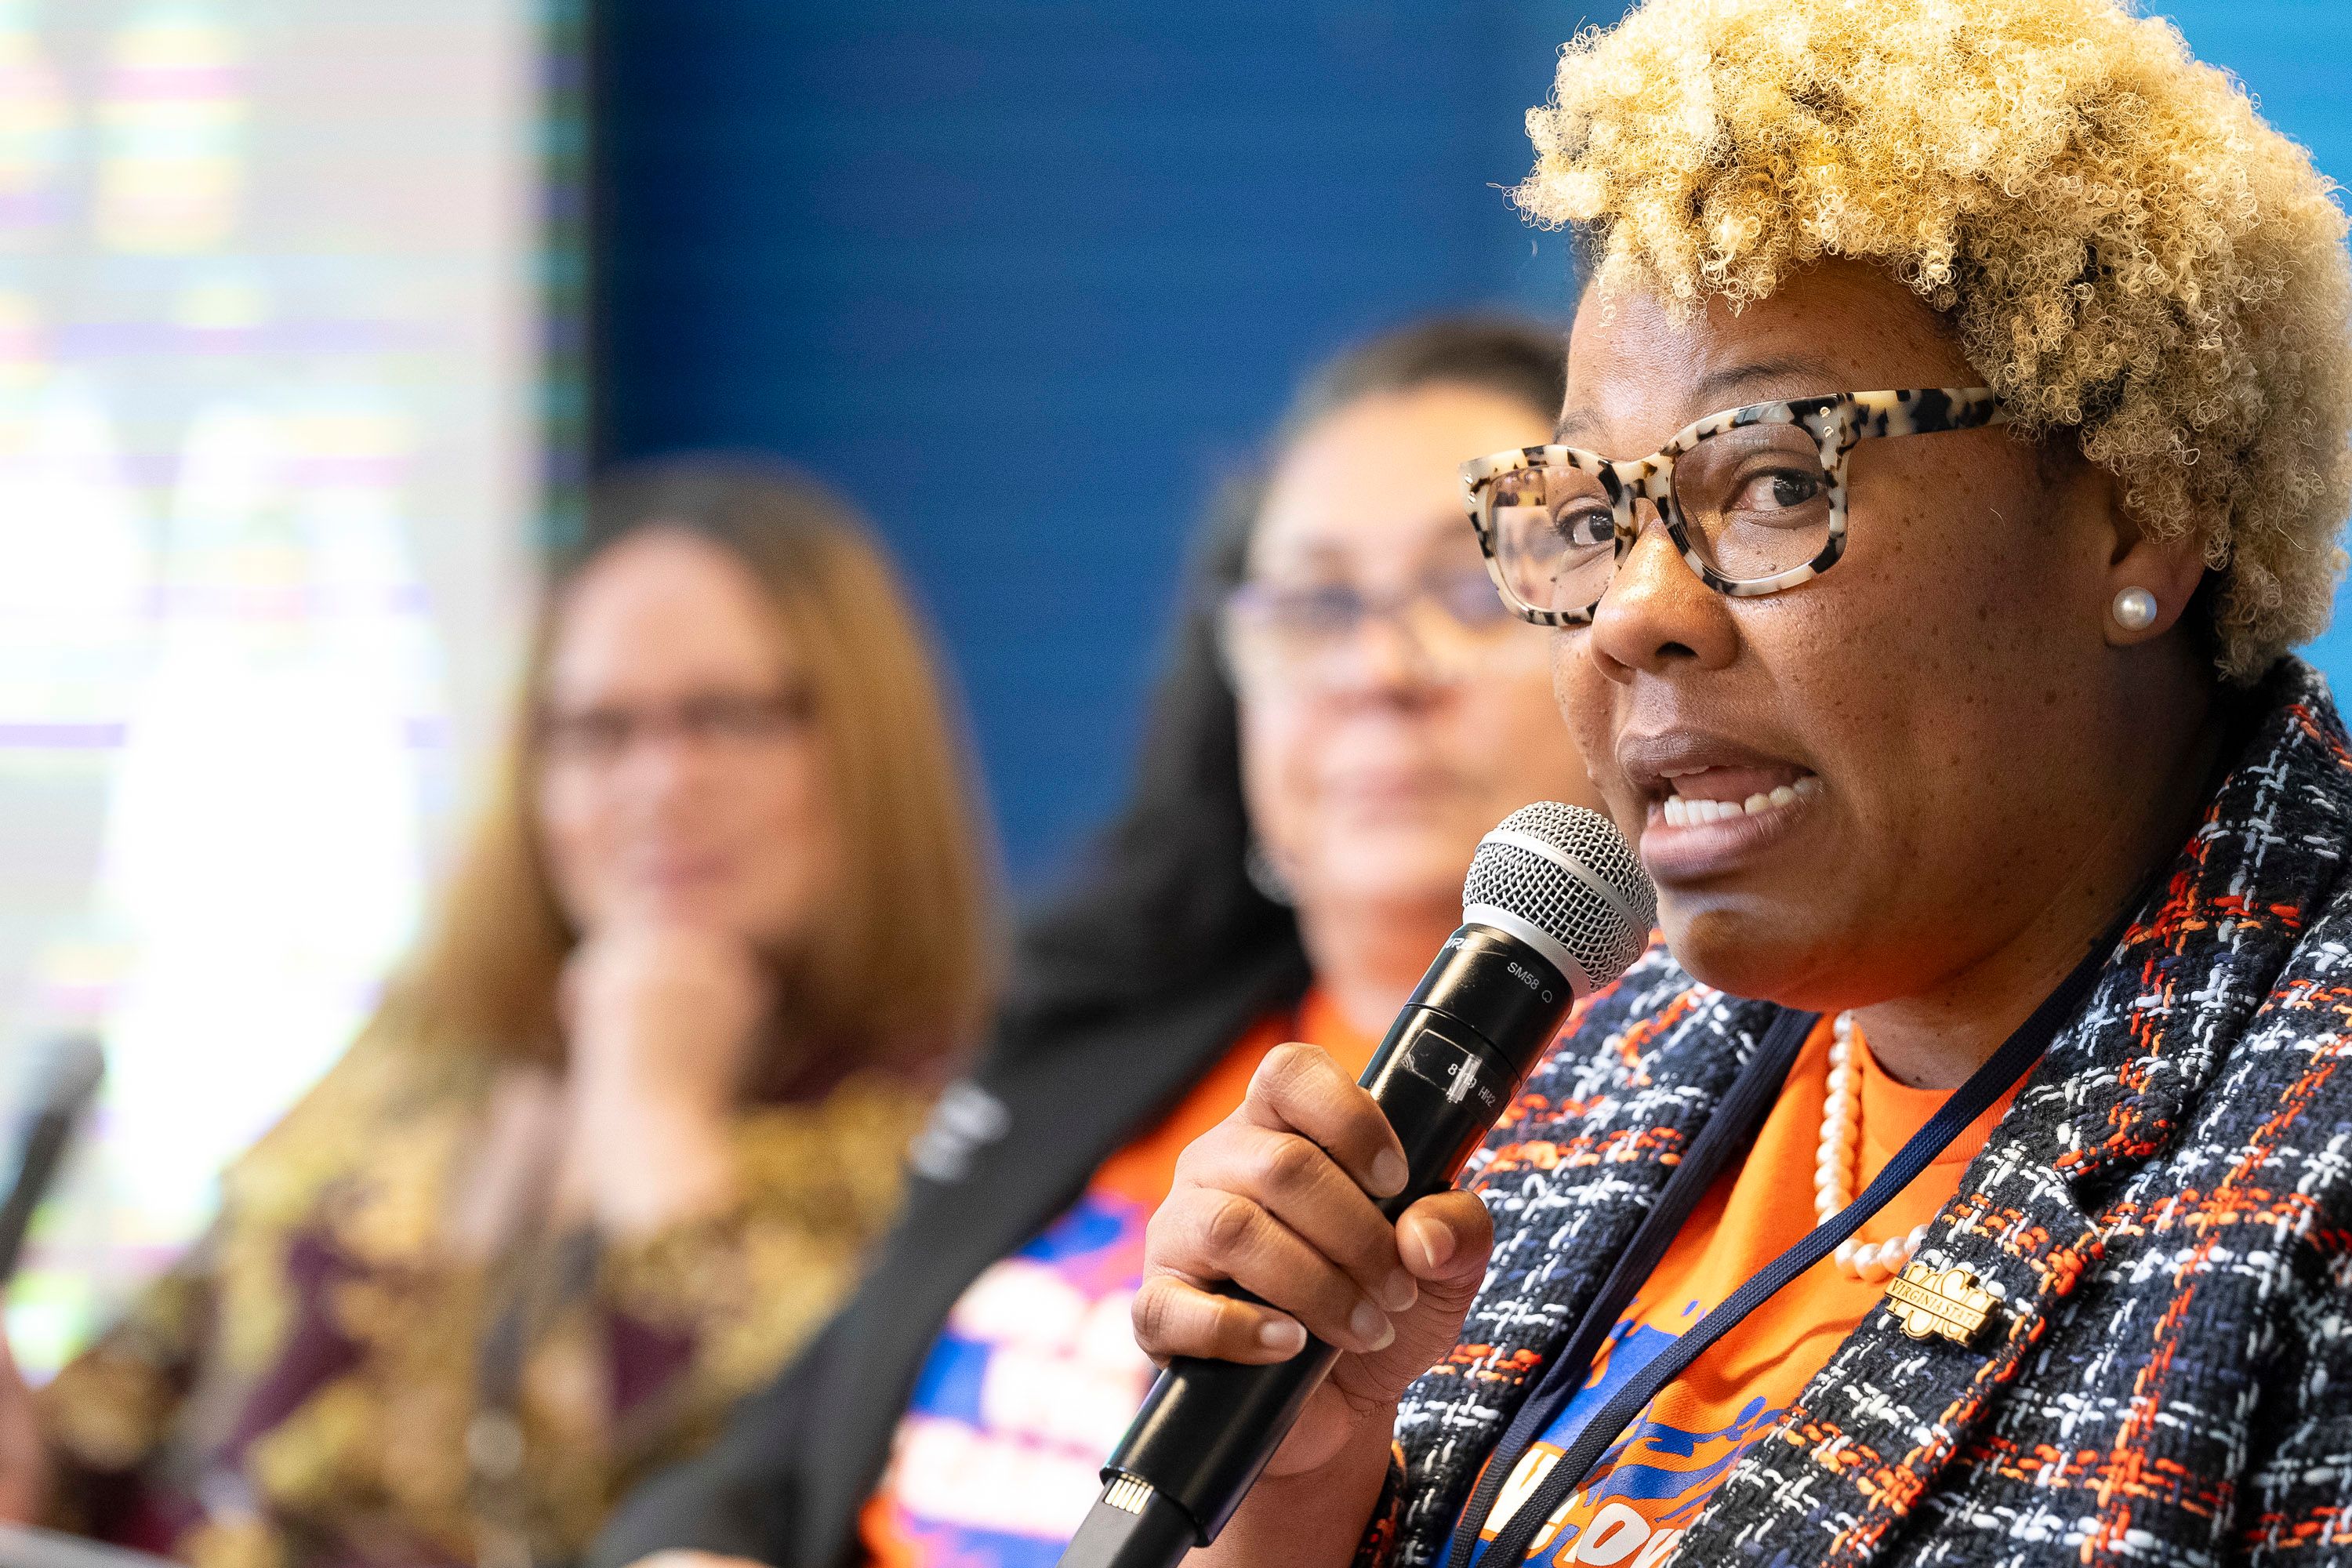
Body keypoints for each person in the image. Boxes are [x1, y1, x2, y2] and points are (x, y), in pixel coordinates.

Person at [1135, 3, 2352, 1566]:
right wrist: (1299, 1490)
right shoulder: (1611, 1054)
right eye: (1598, 513)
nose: (1635, 611)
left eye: (1777, 481)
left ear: (2137, 515)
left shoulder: (2307, 1154)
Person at [586, 317, 1605, 1568]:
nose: (1377, 671)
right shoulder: (1108, 1024)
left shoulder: (1685, 1112)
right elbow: (772, 1458)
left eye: (1472, 591)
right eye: (1314, 606)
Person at [0, 459, 1001, 1568]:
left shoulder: (967, 1123)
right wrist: (32, 1453)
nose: (659, 784)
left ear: (865, 749)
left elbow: (814, 1491)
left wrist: (656, 1127)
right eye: (597, 731)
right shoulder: (427, 1050)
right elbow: (135, 1401)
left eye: (726, 719)